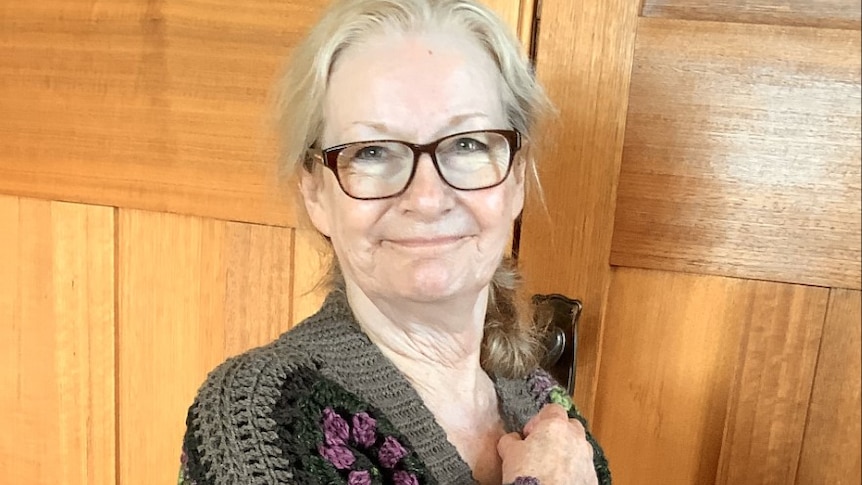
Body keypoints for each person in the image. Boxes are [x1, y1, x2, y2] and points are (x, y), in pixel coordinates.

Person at [179, 0, 611, 483]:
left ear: (515, 180)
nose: (427, 199)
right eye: (372, 151)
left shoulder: (544, 408)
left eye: (467, 143)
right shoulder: (263, 411)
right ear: (316, 191)